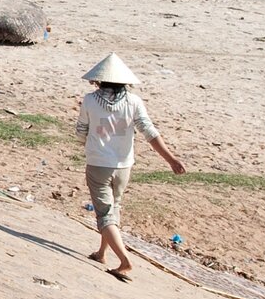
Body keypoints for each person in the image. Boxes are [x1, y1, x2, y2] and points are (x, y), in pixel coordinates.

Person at [74, 54, 186, 281]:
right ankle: (102, 252)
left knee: (105, 215)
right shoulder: (134, 102)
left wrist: (91, 143)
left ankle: (124, 261)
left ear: (99, 80)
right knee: (114, 209)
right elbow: (149, 132)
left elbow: (80, 132)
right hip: (123, 166)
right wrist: (171, 159)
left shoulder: (90, 100)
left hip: (98, 164)